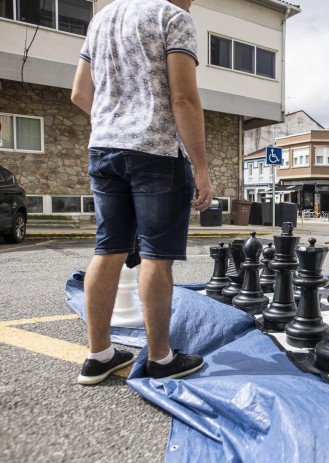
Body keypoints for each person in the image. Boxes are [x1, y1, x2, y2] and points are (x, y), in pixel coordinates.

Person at [71, 0, 212, 385]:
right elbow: (183, 98)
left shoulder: (102, 19)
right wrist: (201, 168)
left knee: (108, 248)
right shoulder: (173, 18)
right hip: (156, 152)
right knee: (155, 255)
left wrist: (116, 122)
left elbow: (80, 94)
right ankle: (161, 359)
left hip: (104, 149)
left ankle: (99, 355)